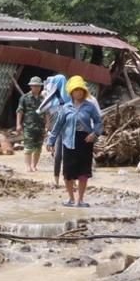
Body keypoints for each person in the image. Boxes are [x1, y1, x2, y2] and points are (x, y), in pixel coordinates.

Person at [47, 76, 104, 208]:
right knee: (68, 172)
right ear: (71, 92)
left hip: (85, 142)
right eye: (75, 90)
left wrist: (94, 133)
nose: (78, 92)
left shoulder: (89, 107)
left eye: (80, 90)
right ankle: (71, 198)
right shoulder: (66, 108)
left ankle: (80, 200)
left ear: (84, 92)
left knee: (83, 172)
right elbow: (58, 126)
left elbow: (98, 122)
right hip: (69, 142)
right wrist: (51, 141)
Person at [16, 77, 46, 172]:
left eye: (38, 86)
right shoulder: (24, 98)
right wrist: (18, 125)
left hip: (41, 127)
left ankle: (34, 166)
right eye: (34, 86)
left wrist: (48, 125)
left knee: (38, 148)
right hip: (29, 127)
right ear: (31, 86)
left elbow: (47, 113)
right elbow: (20, 111)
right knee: (28, 147)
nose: (36, 87)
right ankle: (28, 167)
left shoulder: (43, 99)